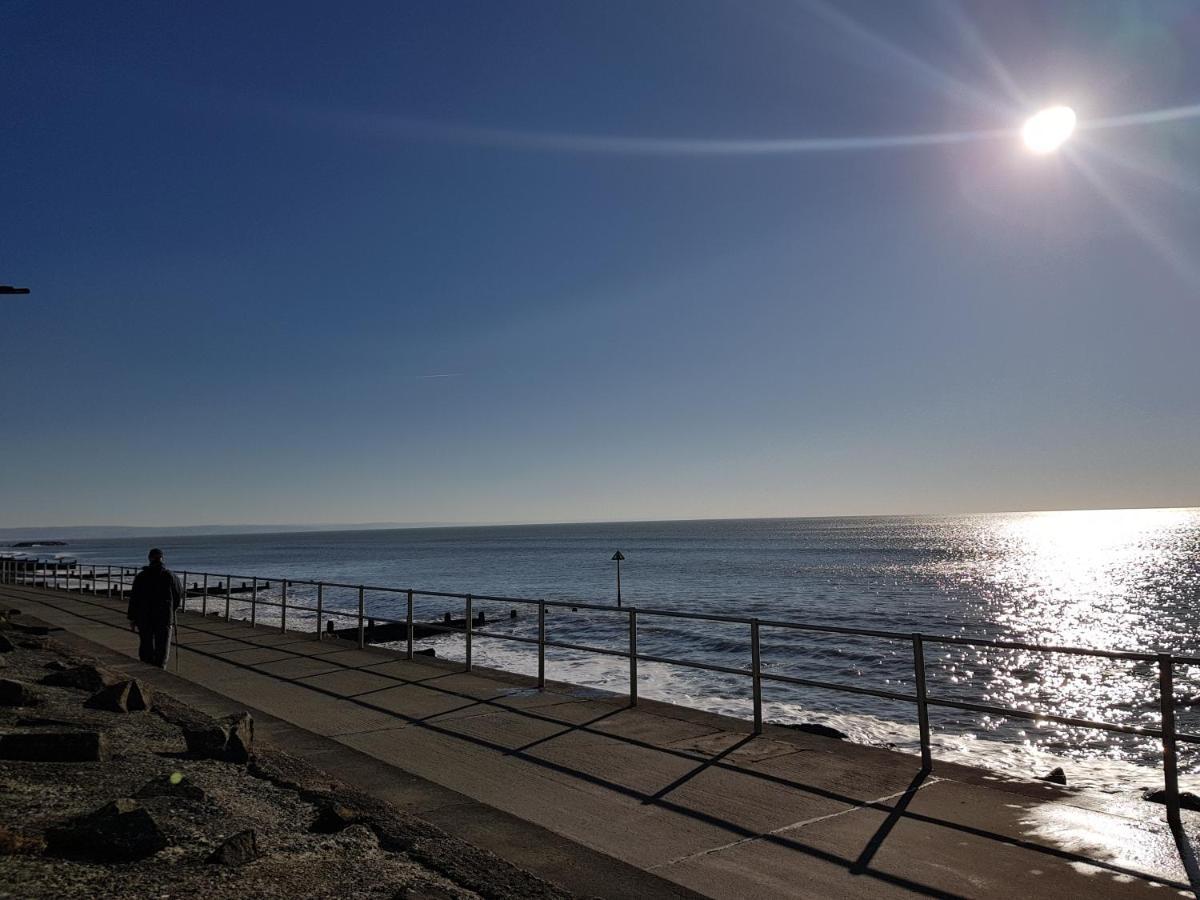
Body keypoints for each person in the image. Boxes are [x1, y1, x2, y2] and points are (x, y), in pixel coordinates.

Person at [127, 548, 183, 668]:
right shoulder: (170, 576)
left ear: (150, 559)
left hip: (144, 616)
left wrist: (132, 618)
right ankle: (160, 668)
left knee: (146, 643)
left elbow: (134, 598)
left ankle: (146, 666)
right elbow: (178, 595)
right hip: (164, 616)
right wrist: (172, 610)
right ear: (162, 559)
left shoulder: (141, 576)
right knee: (162, 645)